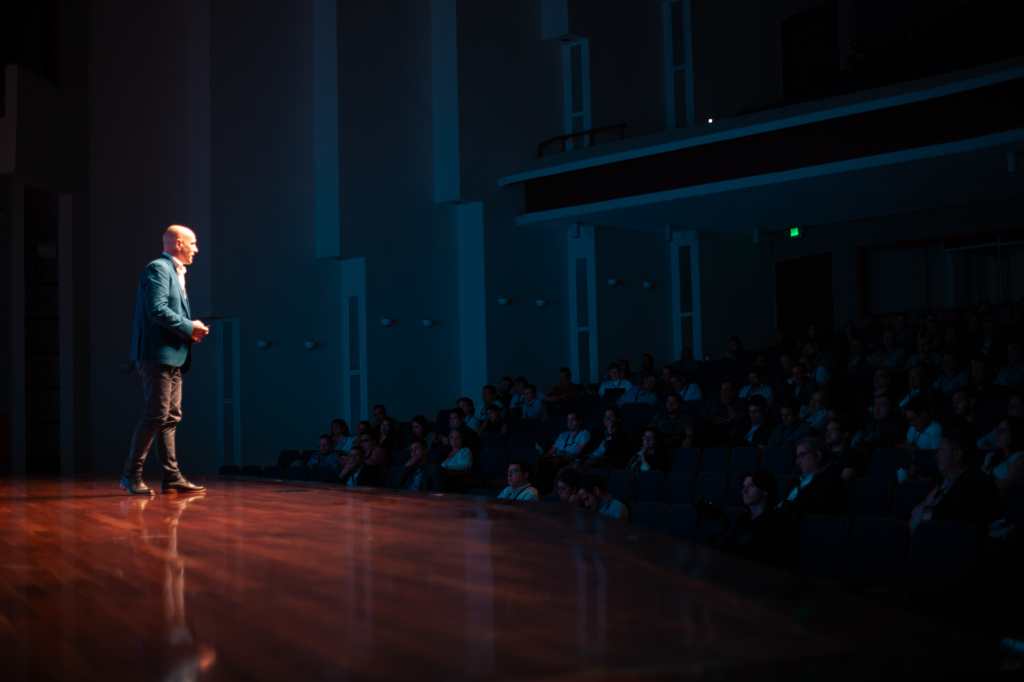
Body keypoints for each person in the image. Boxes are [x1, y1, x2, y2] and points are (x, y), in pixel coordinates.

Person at [122, 225, 208, 495]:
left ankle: (172, 477)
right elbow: (157, 310)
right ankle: (130, 476)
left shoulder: (176, 272)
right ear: (179, 243)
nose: (196, 249)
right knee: (156, 414)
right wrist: (189, 326)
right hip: (156, 356)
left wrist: (188, 332)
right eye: (192, 243)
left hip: (171, 356)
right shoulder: (158, 268)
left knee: (170, 416)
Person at [910, 429, 1000, 532]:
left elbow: (952, 520)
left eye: (942, 450)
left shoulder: (974, 485)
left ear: (957, 454)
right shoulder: (943, 479)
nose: (937, 455)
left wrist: (924, 513)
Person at [777, 437, 846, 518]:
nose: (797, 462)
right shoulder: (796, 481)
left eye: (802, 455)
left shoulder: (829, 481)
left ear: (818, 455)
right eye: (797, 457)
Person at [722, 471, 782, 565]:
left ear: (765, 490)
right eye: (744, 486)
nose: (744, 491)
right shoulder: (743, 518)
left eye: (751, 486)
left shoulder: (775, 522)